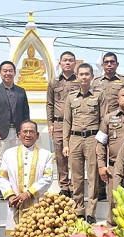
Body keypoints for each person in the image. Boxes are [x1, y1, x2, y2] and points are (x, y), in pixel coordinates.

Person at [62, 63, 107, 224]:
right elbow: (67, 121)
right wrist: (65, 143)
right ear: (77, 76)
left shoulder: (99, 95)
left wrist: (101, 143)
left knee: (93, 176)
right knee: (76, 177)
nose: (84, 77)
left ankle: (91, 212)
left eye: (87, 74)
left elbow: (104, 120)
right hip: (75, 139)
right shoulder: (71, 97)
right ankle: (79, 209)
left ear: (92, 77)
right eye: (81, 74)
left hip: (92, 139)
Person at [0, 120, 54, 231]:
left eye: (31, 132)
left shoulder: (45, 154)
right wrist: (11, 195)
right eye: (25, 131)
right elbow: (2, 177)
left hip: (37, 203)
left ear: (37, 135)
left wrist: (28, 194)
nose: (28, 135)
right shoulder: (9, 153)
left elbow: (47, 178)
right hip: (15, 203)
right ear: (19, 135)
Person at [96, 85, 124, 225]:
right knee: (114, 203)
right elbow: (101, 144)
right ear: (118, 99)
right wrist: (101, 166)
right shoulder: (108, 118)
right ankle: (111, 235)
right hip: (114, 169)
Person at [92, 52, 124, 201]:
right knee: (100, 155)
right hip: (99, 123)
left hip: (118, 122)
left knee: (117, 155)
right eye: (106, 62)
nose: (109, 65)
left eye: (112, 62)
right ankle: (101, 189)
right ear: (102, 65)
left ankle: (123, 184)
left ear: (117, 64)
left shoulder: (123, 80)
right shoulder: (96, 82)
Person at [46, 51, 80, 198]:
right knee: (60, 156)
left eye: (71, 60)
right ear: (59, 63)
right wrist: (50, 123)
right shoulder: (53, 82)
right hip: (59, 124)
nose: (68, 63)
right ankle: (64, 185)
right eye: (65, 60)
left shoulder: (79, 81)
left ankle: (74, 186)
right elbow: (49, 104)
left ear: (75, 63)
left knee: (74, 155)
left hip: (76, 124)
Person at [0, 61, 31, 159]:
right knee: (3, 160)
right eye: (5, 71)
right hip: (2, 132)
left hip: (18, 132)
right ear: (0, 73)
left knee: (19, 158)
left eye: (10, 71)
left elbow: (25, 113)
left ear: (15, 73)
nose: (8, 73)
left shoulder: (21, 91)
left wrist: (26, 130)